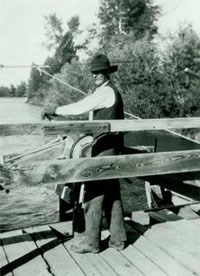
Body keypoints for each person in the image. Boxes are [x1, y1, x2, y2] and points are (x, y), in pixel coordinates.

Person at [42, 53, 127, 253]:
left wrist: (56, 109)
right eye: (93, 72)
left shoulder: (105, 92)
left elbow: (82, 106)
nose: (96, 75)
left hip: (105, 149)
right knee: (112, 194)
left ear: (107, 72)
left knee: (93, 193)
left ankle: (91, 243)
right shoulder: (105, 92)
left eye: (99, 72)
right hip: (111, 147)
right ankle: (118, 239)